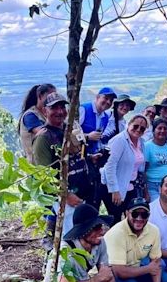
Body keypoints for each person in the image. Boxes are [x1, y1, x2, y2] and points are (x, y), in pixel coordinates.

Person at [33, 92, 90, 242]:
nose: (60, 112)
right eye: (54, 108)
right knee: (69, 240)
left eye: (62, 107)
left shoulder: (68, 129)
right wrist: (66, 196)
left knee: (84, 238)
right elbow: (44, 176)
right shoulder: (43, 138)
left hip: (82, 195)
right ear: (45, 111)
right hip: (65, 201)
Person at [104, 198, 167, 282]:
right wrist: (147, 269)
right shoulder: (116, 234)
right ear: (127, 213)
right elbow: (119, 271)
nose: (139, 218)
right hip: (113, 276)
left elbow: (156, 262)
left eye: (144, 215)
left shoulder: (154, 231)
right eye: (135, 214)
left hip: (137, 269)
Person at [101, 115, 148, 224]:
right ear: (129, 124)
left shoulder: (142, 143)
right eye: (135, 126)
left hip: (131, 186)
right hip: (115, 186)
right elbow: (110, 165)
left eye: (142, 128)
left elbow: (140, 167)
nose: (138, 129)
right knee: (115, 220)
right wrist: (114, 190)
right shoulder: (119, 140)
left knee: (132, 219)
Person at [79, 87, 117, 211]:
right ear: (97, 97)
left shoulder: (105, 117)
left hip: (94, 160)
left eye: (110, 101)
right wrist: (87, 136)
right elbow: (70, 132)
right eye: (105, 98)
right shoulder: (84, 109)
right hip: (80, 158)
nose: (107, 102)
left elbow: (100, 138)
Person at [18, 83, 56, 163]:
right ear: (40, 97)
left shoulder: (46, 114)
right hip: (36, 166)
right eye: (49, 97)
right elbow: (45, 133)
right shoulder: (30, 116)